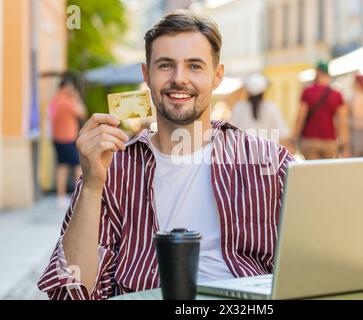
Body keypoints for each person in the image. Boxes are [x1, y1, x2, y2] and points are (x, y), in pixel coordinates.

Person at [37, 10, 294, 300]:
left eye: (195, 66)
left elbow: (313, 263)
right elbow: (70, 294)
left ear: (217, 75)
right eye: (165, 65)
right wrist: (93, 186)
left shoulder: (268, 160)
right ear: (147, 75)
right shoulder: (112, 168)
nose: (179, 79)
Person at [290, 61, 350, 160]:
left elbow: (300, 117)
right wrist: (344, 144)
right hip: (330, 142)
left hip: (310, 140)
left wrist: (293, 137)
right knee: (327, 173)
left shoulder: (307, 92)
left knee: (312, 173)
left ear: (317, 73)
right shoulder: (337, 95)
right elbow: (342, 121)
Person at [48, 74, 87, 207]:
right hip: (68, 138)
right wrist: (76, 97)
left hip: (57, 138)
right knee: (77, 167)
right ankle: (80, 195)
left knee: (62, 166)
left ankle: (60, 196)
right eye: (70, 87)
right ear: (65, 88)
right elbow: (82, 112)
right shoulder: (67, 101)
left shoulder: (54, 101)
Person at [231, 73, 290, 144]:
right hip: (268, 153)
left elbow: (232, 133)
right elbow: (284, 134)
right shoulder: (272, 108)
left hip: (244, 153)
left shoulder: (238, 108)